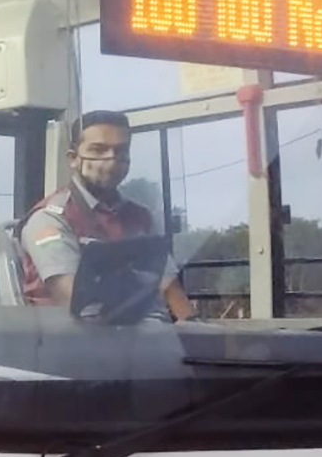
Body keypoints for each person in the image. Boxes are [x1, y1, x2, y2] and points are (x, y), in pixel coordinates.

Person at [19, 110, 193, 321]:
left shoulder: (139, 216)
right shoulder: (50, 219)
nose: (111, 159)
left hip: (145, 338)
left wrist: (193, 330)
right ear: (73, 159)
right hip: (73, 343)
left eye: (121, 151)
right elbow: (76, 303)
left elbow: (169, 286)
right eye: (98, 150)